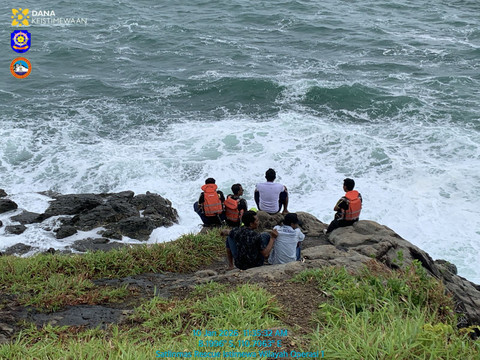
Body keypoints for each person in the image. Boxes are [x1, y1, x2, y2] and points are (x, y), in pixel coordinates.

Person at [224, 184, 248, 269]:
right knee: (240, 245)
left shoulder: (228, 198)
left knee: (228, 244)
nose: (243, 191)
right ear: (238, 192)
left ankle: (231, 265)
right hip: (238, 225)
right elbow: (245, 215)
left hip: (229, 224)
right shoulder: (242, 202)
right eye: (242, 190)